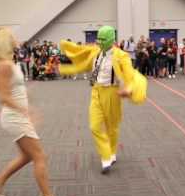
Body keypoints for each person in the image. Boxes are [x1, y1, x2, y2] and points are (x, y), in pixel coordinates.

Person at [0, 26, 66, 196]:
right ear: (5, 41)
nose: (16, 37)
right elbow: (2, 97)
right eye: (12, 36)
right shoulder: (6, 65)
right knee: (40, 156)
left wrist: (22, 93)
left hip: (17, 115)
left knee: (27, 156)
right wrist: (27, 109)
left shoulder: (8, 63)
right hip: (15, 117)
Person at [59, 25, 147, 174]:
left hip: (112, 92)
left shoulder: (121, 56)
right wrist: (67, 66)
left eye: (102, 39)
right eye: (98, 38)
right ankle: (105, 156)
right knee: (94, 126)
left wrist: (129, 89)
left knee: (111, 126)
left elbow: (130, 75)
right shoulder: (96, 51)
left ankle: (112, 152)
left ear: (111, 40)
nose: (98, 42)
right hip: (95, 91)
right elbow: (83, 60)